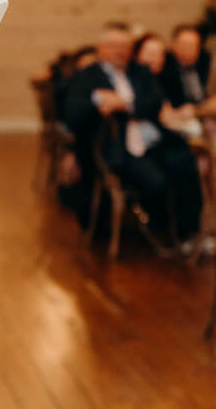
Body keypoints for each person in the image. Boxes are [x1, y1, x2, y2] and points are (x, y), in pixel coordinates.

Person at [64, 20, 202, 245]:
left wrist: (125, 103)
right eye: (114, 46)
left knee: (186, 162)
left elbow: (155, 101)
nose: (120, 52)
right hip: (116, 149)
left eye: (125, 46)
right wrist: (98, 102)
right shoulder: (88, 76)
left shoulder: (139, 72)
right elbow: (72, 114)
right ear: (101, 48)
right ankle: (160, 231)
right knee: (156, 181)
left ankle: (188, 234)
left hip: (152, 142)